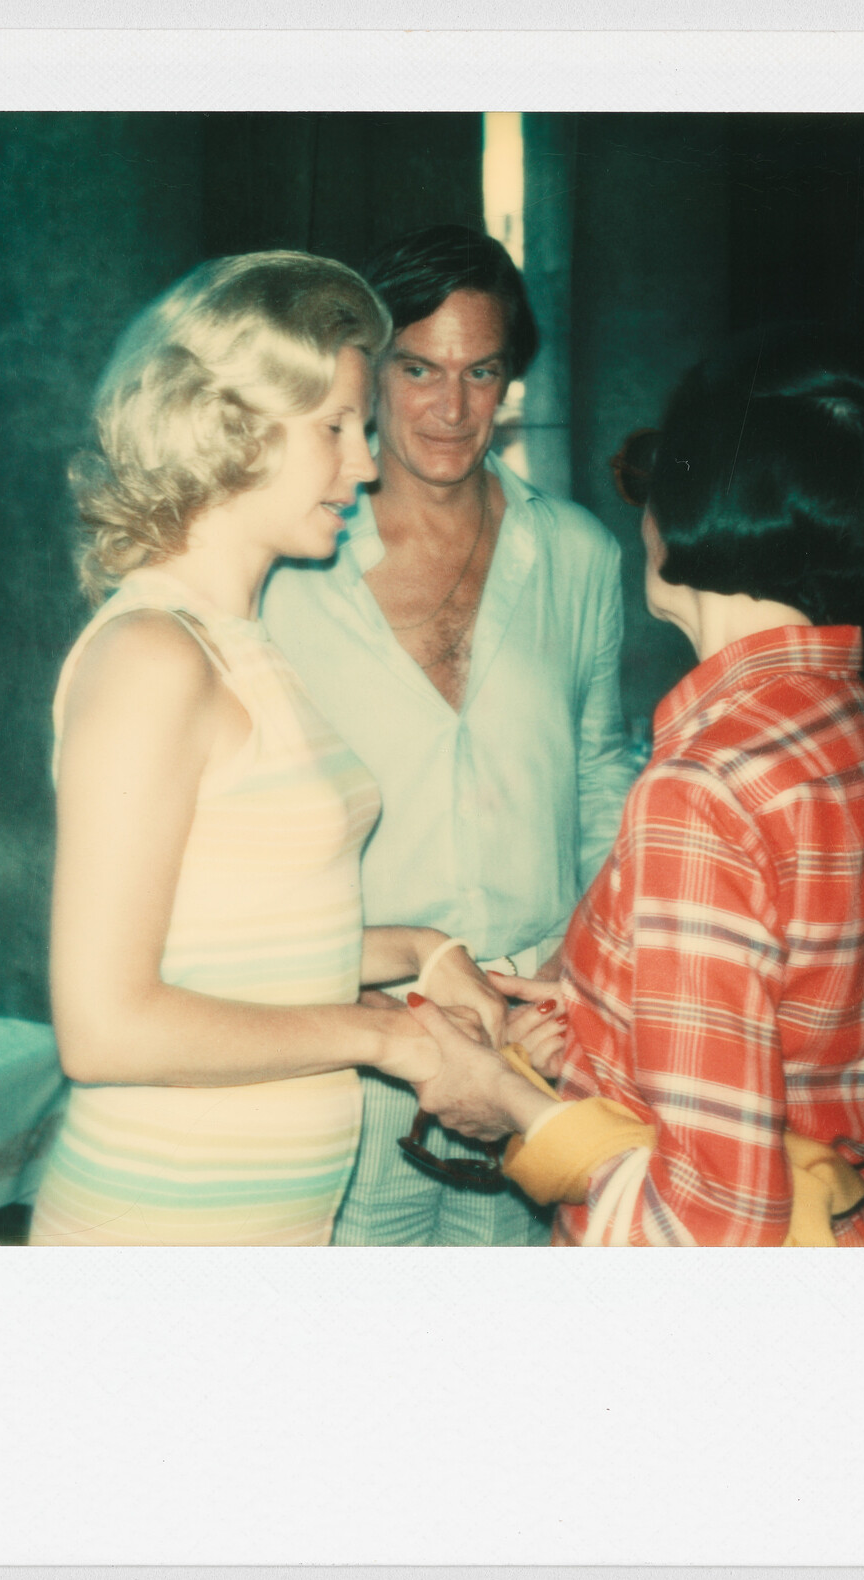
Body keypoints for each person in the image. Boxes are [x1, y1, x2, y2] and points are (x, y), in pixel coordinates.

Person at [28, 252, 504, 1248]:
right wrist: (392, 1037)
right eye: (332, 427)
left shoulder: (238, 641)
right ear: (224, 427)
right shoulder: (151, 654)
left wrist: (419, 954)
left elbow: (240, 945)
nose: (364, 464)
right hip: (161, 1226)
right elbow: (105, 1026)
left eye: (360, 429)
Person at [404, 335, 864, 1247]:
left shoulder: (704, 783)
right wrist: (583, 1005)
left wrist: (513, 1102)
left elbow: (708, 1217)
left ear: (681, 516)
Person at [262, 224, 633, 1246]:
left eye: (481, 372)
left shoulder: (578, 554)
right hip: (355, 1025)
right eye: (417, 368)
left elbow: (599, 775)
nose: (450, 407)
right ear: (368, 371)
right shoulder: (291, 563)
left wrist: (587, 981)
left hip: (530, 1038)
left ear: (510, 378)